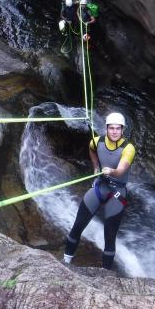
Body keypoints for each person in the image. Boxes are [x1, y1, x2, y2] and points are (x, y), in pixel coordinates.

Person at [64, 112, 136, 269]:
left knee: (109, 236)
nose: (115, 131)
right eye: (112, 128)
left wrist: (112, 171)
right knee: (78, 226)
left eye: (118, 128)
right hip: (100, 187)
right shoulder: (96, 141)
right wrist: (96, 166)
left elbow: (121, 170)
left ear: (122, 130)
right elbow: (91, 149)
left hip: (117, 192)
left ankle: (106, 275)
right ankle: (65, 263)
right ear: (107, 129)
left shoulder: (128, 148)